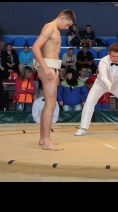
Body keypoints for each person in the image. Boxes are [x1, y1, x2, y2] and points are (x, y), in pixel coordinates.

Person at [32, 9, 76, 151]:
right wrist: (45, 68)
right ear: (62, 18)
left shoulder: (54, 29)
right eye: (68, 24)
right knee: (51, 104)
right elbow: (35, 47)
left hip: (52, 67)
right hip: (48, 67)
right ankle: (47, 142)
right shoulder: (50, 27)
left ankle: (43, 139)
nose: (67, 28)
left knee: (48, 105)